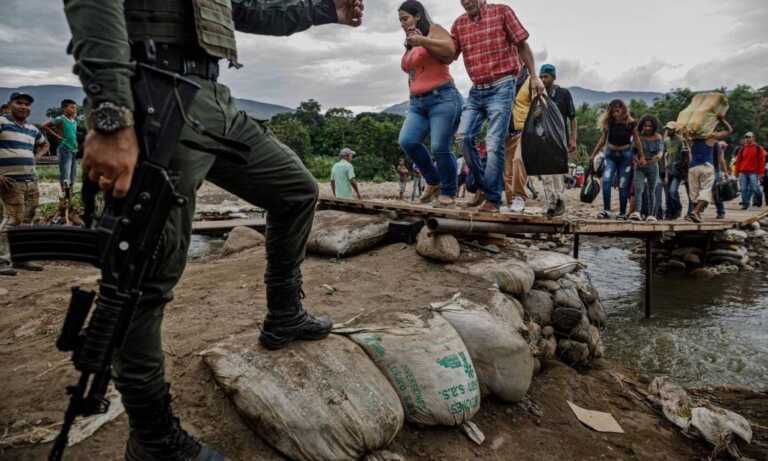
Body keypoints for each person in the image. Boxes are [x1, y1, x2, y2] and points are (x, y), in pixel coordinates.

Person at [62, 1, 364, 459]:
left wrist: (324, 10)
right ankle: (153, 438)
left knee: (297, 191)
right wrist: (111, 115)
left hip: (208, 96)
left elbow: (242, 11)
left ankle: (284, 314)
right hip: (153, 95)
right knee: (144, 276)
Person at [452, 0, 544, 213]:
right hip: (476, 89)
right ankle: (482, 187)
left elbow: (522, 45)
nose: (466, 1)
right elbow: (449, 54)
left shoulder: (502, 12)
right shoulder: (459, 24)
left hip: (502, 85)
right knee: (463, 137)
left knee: (493, 143)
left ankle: (492, 199)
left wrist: (534, 76)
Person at [397, 0, 463, 208]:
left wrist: (422, 40)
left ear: (418, 15)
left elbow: (450, 51)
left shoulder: (433, 30)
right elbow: (412, 72)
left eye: (405, 18)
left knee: (439, 147)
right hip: (418, 103)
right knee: (407, 141)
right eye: (400, 20)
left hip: (442, 97)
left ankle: (449, 192)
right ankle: (433, 181)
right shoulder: (410, 41)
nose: (402, 23)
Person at [0, 92, 49, 276]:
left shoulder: (32, 129)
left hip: (31, 180)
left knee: (27, 220)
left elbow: (45, 145)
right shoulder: (2, 122)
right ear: (10, 104)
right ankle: (2, 261)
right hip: (10, 181)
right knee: (12, 220)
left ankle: (22, 258)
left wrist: (34, 158)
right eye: (19, 102)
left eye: (27, 104)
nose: (23, 106)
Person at [590, 100, 644, 219]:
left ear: (623, 109)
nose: (616, 111)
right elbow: (603, 139)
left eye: (618, 108)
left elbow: (637, 140)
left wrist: (641, 156)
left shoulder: (631, 123)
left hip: (626, 155)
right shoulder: (609, 123)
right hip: (610, 154)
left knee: (623, 184)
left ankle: (622, 212)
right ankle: (606, 210)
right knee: (607, 180)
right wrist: (593, 154)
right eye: (613, 109)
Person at [538, 63, 575, 217]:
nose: (542, 79)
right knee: (545, 174)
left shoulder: (564, 94)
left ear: (553, 77)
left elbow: (573, 117)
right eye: (540, 77)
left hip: (560, 138)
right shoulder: (538, 94)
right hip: (543, 138)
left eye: (545, 76)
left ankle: (559, 200)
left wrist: (573, 138)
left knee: (558, 172)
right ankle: (550, 205)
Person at [686, 114, 733, 222]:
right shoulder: (711, 138)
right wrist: (722, 119)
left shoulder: (691, 138)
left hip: (693, 168)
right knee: (706, 191)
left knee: (694, 193)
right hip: (706, 167)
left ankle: (694, 214)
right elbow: (729, 130)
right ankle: (695, 212)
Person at [43, 99, 80, 196]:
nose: (74, 110)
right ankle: (64, 194)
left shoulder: (74, 121)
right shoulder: (60, 119)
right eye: (72, 107)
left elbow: (73, 134)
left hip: (73, 149)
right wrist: (57, 136)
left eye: (75, 108)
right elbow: (45, 126)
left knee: (73, 174)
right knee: (65, 173)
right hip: (64, 148)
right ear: (64, 108)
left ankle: (70, 194)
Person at [630, 115, 663, 221]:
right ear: (642, 126)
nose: (647, 128)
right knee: (638, 189)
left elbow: (660, 152)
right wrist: (637, 160)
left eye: (650, 126)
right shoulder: (638, 136)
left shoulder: (658, 137)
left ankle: (651, 214)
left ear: (654, 127)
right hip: (640, 166)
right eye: (645, 126)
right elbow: (633, 152)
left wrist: (656, 157)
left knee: (651, 190)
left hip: (652, 165)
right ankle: (637, 212)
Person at [734, 132, 766, 210]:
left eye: (749, 137)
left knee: (754, 188)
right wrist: (736, 172)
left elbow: (761, 161)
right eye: (746, 137)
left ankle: (759, 198)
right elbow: (738, 161)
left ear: (753, 138)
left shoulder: (758, 148)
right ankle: (745, 204)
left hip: (753, 172)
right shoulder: (742, 149)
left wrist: (761, 173)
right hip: (743, 172)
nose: (747, 139)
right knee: (743, 189)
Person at [663, 121, 687, 220]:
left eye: (670, 129)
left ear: (675, 130)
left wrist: (683, 169)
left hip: (678, 170)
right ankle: (670, 213)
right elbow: (664, 154)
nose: (668, 130)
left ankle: (678, 208)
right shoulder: (666, 141)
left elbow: (685, 156)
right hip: (668, 170)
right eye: (667, 129)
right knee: (668, 193)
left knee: (673, 191)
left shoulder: (681, 140)